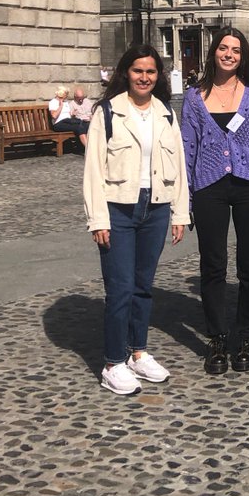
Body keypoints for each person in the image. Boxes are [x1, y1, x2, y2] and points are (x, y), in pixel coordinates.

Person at [82, 45, 189, 395]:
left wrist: (179, 212)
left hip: (155, 207)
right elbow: (93, 169)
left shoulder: (166, 114)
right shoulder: (109, 112)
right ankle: (113, 362)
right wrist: (98, 218)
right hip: (119, 208)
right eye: (138, 70)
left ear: (158, 77)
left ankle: (137, 352)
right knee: (120, 288)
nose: (144, 77)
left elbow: (180, 169)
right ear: (126, 72)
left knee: (144, 286)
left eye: (151, 72)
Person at [181, 27, 249, 375]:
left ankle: (247, 336)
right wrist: (187, 200)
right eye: (223, 48)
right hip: (209, 184)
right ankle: (217, 337)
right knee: (213, 264)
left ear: (244, 56)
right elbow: (187, 148)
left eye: (236, 50)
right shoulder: (195, 97)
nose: (229, 54)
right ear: (213, 52)